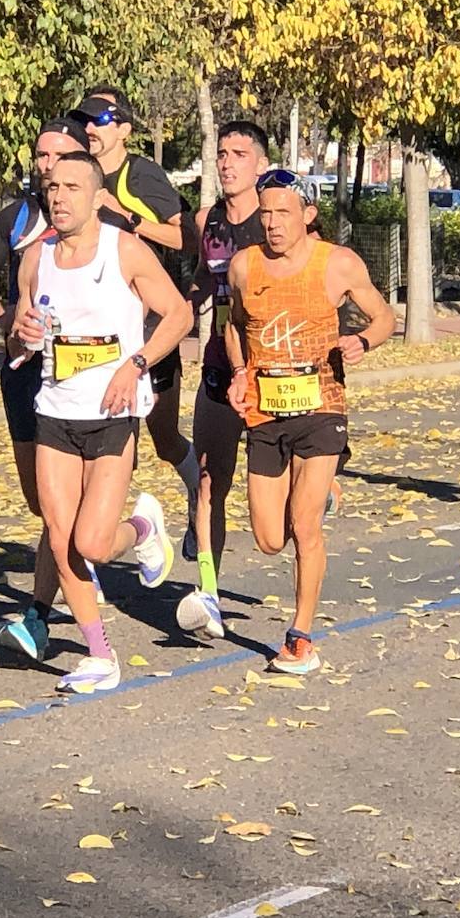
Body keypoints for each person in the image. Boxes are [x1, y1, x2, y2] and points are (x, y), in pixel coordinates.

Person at [12, 151, 192, 693]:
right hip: (55, 412)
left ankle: (142, 528)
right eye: (52, 187)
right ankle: (99, 655)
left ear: (95, 196)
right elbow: (22, 338)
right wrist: (22, 334)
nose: (59, 196)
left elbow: (179, 314)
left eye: (71, 187)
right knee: (62, 540)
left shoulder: (125, 251)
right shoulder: (35, 258)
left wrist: (136, 363)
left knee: (92, 543)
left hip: (112, 413)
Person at [225, 169, 394, 674]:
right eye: (265, 213)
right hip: (264, 409)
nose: (272, 224)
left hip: (322, 405)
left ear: (307, 216)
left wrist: (361, 341)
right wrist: (238, 371)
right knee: (268, 538)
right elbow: (234, 325)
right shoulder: (243, 266)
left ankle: (301, 637)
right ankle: (319, 492)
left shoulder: (337, 264)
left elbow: (384, 317)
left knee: (304, 527)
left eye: (283, 213)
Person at [0, 117, 103, 660]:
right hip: (24, 372)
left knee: (61, 512)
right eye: (41, 157)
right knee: (40, 503)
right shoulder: (18, 217)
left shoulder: (103, 220)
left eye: (59, 157)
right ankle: (90, 557)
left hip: (84, 382)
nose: (47, 167)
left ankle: (38, 615)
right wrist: (5, 319)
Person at [69, 87, 202, 550]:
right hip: (90, 332)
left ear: (125, 129)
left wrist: (128, 219)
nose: (89, 128)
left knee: (163, 440)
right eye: (83, 119)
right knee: (100, 445)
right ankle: (101, 546)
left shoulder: (140, 176)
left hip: (149, 331)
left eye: (100, 120)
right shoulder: (72, 174)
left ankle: (197, 495)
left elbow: (187, 240)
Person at [175, 121, 269, 639]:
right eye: (222, 153)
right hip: (218, 362)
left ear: (258, 162)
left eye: (239, 153)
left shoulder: (279, 217)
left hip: (274, 370)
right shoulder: (207, 219)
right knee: (211, 479)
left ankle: (319, 477)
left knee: (274, 511)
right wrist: (175, 314)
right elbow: (200, 280)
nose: (228, 162)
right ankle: (207, 591)